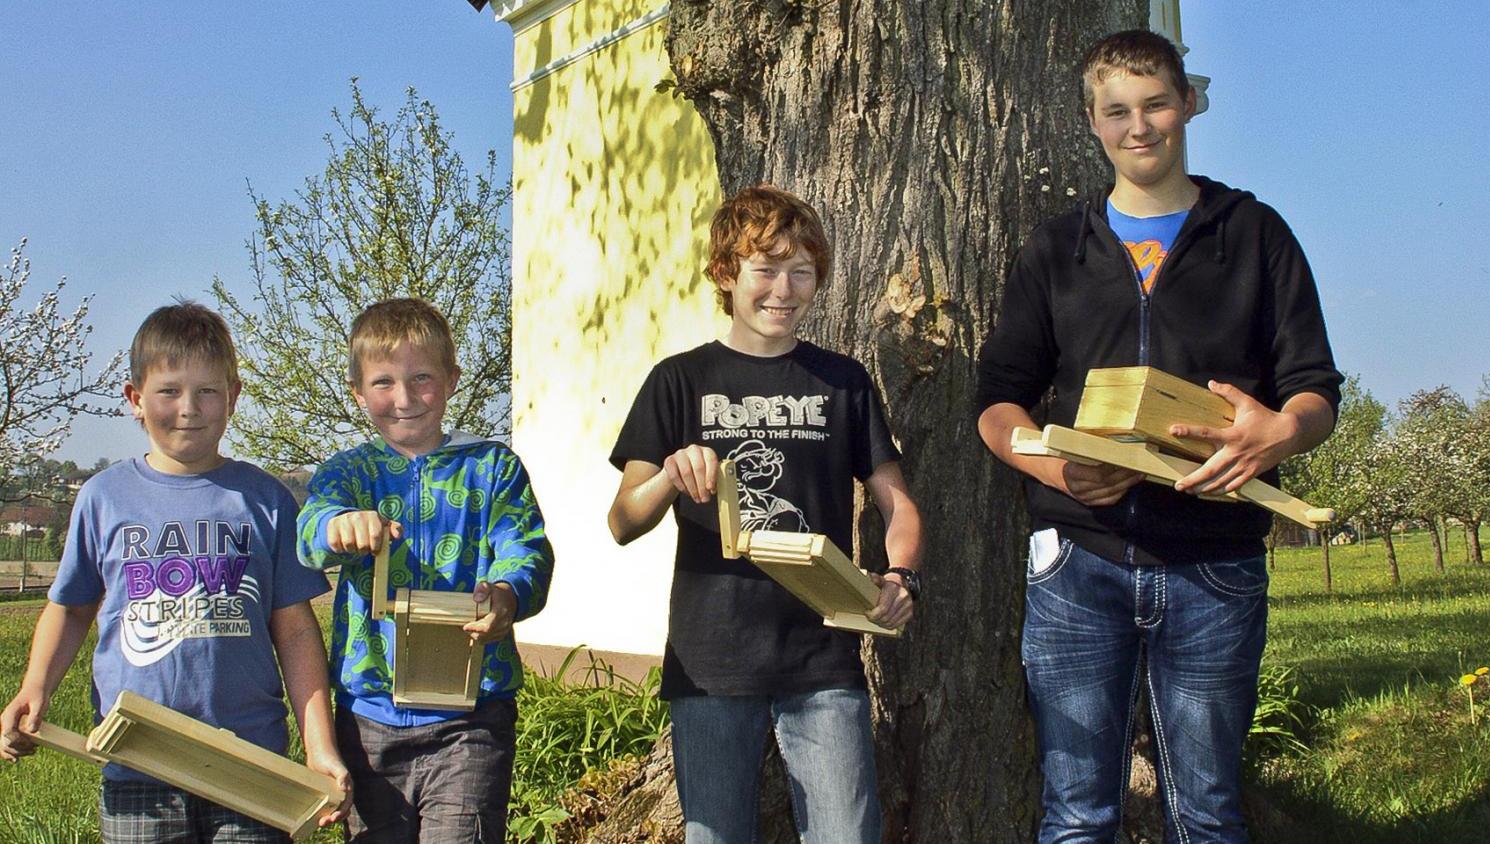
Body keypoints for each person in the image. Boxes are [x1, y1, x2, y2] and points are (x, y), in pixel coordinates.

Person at [976, 29, 1343, 843]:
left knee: (1209, 814)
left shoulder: (1255, 234)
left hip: (1216, 563)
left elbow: (1316, 389)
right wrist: (1062, 473)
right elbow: (998, 405)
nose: (1138, 127)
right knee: (1074, 816)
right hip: (1077, 562)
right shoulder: (1054, 250)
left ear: (1188, 106)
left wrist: (1280, 432)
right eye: (1116, 112)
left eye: (1156, 105)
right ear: (1092, 122)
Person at [608, 184, 924, 844]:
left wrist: (900, 577)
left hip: (824, 659)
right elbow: (623, 519)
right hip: (710, 661)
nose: (783, 289)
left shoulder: (843, 381)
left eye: (801, 271)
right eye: (765, 269)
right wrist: (670, 475)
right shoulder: (678, 380)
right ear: (727, 274)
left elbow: (898, 503)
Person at [0, 301, 350, 842]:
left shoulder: (264, 500)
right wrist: (33, 689)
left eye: (208, 391)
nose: (189, 408)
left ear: (233, 398)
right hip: (140, 759)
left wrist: (319, 745)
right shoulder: (103, 498)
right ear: (135, 399)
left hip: (250, 762)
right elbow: (69, 609)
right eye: (169, 391)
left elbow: (297, 630)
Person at [297, 297, 553, 841]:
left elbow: (526, 550)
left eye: (422, 379)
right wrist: (338, 525)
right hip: (367, 719)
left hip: (471, 717)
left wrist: (508, 594)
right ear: (358, 390)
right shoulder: (348, 473)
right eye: (384, 382)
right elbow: (309, 534)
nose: (405, 399)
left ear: (452, 379)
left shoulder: (492, 466)